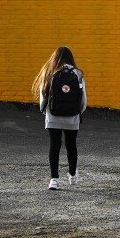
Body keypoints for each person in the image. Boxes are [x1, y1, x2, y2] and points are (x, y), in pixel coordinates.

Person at [31, 46, 87, 190]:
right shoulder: (77, 73)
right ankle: (73, 175)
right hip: (72, 116)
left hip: (53, 115)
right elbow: (83, 100)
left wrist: (46, 112)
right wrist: (77, 112)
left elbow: (43, 97)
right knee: (71, 145)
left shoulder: (49, 73)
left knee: (54, 145)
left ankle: (54, 180)